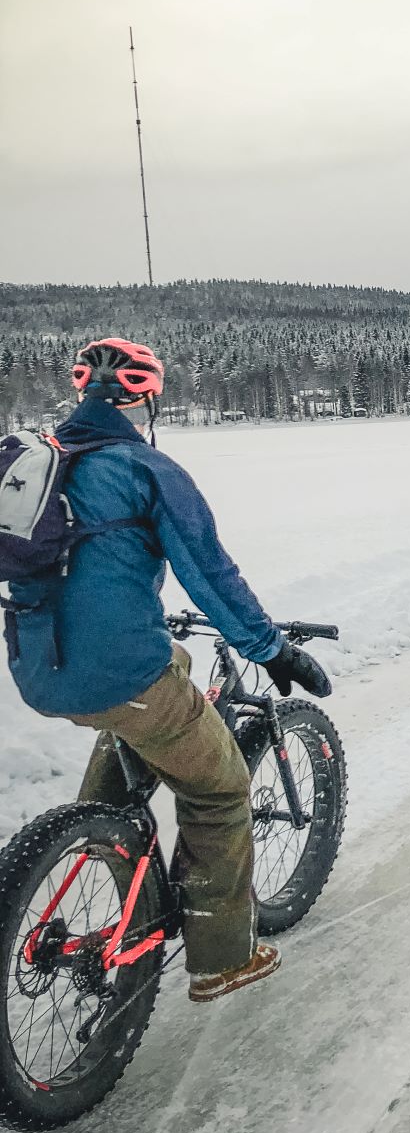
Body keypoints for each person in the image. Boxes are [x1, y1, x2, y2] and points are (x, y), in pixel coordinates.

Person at [3, 338, 332, 1002]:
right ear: (145, 396)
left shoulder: (38, 462)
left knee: (161, 681)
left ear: (83, 395)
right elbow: (209, 573)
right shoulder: (144, 467)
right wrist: (269, 648)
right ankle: (220, 958)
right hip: (120, 672)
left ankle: (106, 824)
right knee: (218, 788)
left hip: (38, 669)